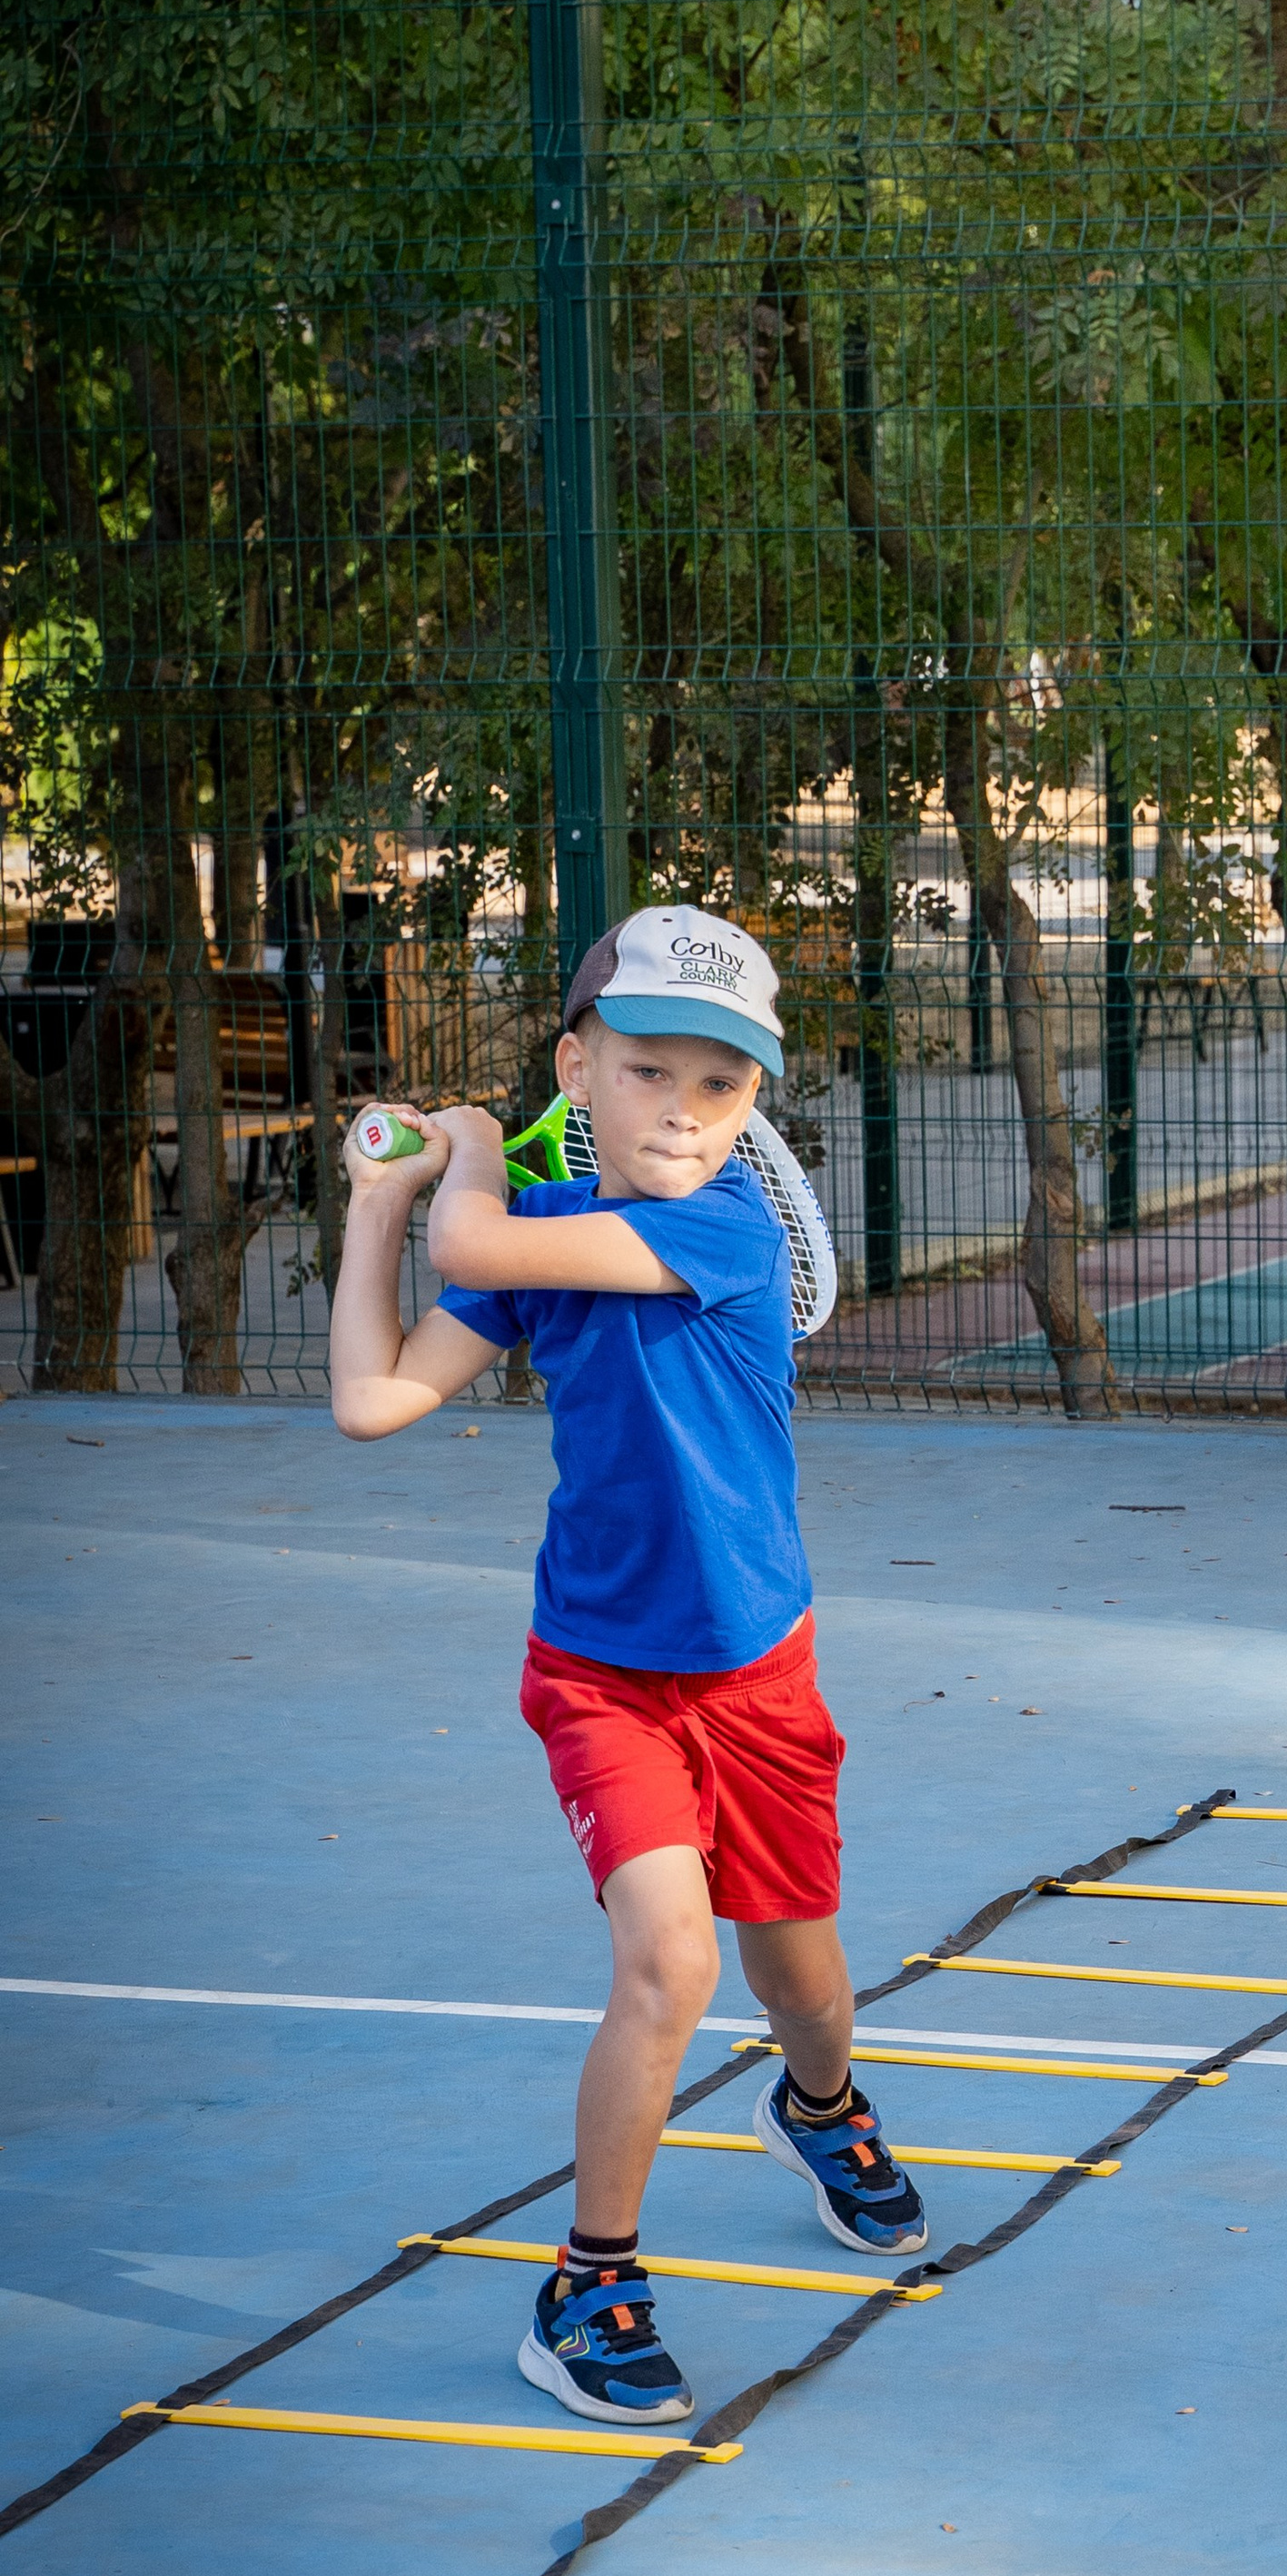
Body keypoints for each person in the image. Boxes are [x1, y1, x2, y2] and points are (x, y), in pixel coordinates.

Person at [328, 906, 926, 2429]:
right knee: (668, 1962)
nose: (682, 1112)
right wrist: (374, 1206)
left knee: (803, 1980)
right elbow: (378, 1399)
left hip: (758, 1672)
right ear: (576, 1067)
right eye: (647, 1072)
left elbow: (479, 1226)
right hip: (601, 1673)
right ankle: (589, 2286)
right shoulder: (539, 1242)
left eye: (721, 1088)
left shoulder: (714, 1229)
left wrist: (459, 1151)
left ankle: (822, 2112)